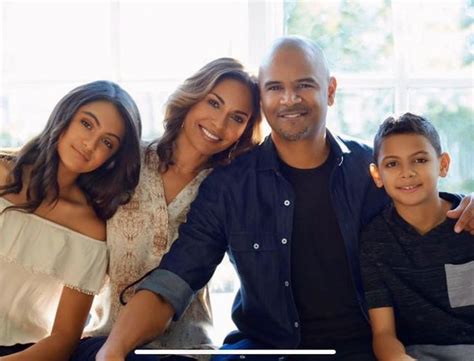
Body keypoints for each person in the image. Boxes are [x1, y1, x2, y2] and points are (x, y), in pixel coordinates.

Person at [96, 36, 474, 361]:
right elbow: (176, 278)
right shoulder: (230, 186)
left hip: (364, 348)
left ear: (329, 90)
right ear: (262, 98)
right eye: (275, 87)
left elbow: (426, 201)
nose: (289, 99)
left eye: (304, 84)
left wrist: (468, 204)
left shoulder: (369, 170)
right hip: (266, 349)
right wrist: (111, 350)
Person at [70, 58, 262, 361]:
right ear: (192, 97)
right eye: (213, 103)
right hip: (102, 341)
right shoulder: (125, 160)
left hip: (187, 350)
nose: (219, 123)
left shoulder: (228, 191)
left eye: (237, 118)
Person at [0, 80, 142, 360]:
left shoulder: (89, 230)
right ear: (65, 116)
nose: (90, 144)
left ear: (112, 158)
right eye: (87, 124)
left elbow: (63, 340)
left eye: (107, 142)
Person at [359, 113, 474, 361]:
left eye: (420, 160)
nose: (407, 172)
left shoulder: (469, 221)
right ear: (377, 174)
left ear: (442, 164)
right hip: (418, 354)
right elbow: (384, 334)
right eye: (392, 164)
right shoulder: (374, 241)